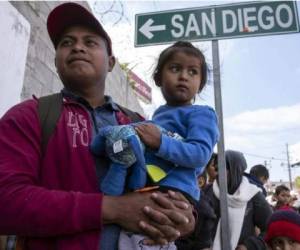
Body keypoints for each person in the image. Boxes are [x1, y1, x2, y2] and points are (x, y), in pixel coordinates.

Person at [0, 3, 195, 250]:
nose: (77, 47)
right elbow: (6, 201)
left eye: (90, 42)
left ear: (111, 62)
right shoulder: (29, 116)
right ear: (56, 59)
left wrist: (185, 216)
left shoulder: (140, 124)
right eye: (67, 42)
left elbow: (170, 178)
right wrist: (110, 208)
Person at [91, 41, 219, 249]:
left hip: (174, 192)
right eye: (175, 68)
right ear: (159, 78)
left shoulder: (201, 114)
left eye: (193, 72)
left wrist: (160, 142)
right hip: (145, 189)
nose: (184, 76)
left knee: (151, 239)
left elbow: (201, 154)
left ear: (201, 83)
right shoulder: (158, 115)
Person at [205, 150, 272, 250]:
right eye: (217, 169)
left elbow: (271, 229)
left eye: (225, 169)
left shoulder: (253, 195)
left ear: (236, 170)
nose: (219, 173)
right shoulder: (207, 192)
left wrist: (249, 245)